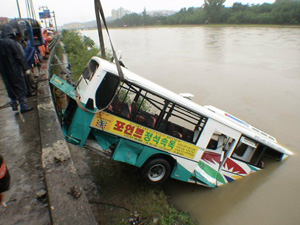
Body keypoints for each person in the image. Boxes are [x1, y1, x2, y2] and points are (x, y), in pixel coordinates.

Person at [0, 24, 33, 113]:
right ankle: (24, 105)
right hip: (14, 69)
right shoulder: (12, 43)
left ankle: (14, 104)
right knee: (20, 87)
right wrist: (26, 68)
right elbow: (19, 57)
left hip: (4, 71)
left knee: (10, 87)